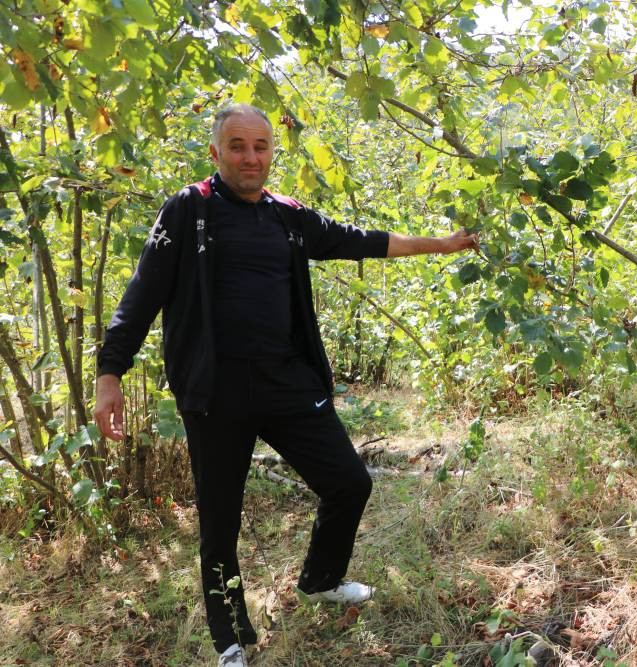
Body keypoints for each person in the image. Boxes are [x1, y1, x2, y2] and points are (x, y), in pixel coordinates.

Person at [93, 104, 479, 666]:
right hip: (214, 394)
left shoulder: (288, 216)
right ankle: (231, 640)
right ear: (216, 152)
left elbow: (361, 240)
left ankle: (321, 580)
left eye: (261, 146)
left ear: (272, 152)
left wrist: (440, 245)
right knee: (220, 522)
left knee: (349, 483)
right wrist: (110, 374)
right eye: (237, 146)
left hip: (288, 384)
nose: (251, 157)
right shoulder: (188, 210)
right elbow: (141, 295)